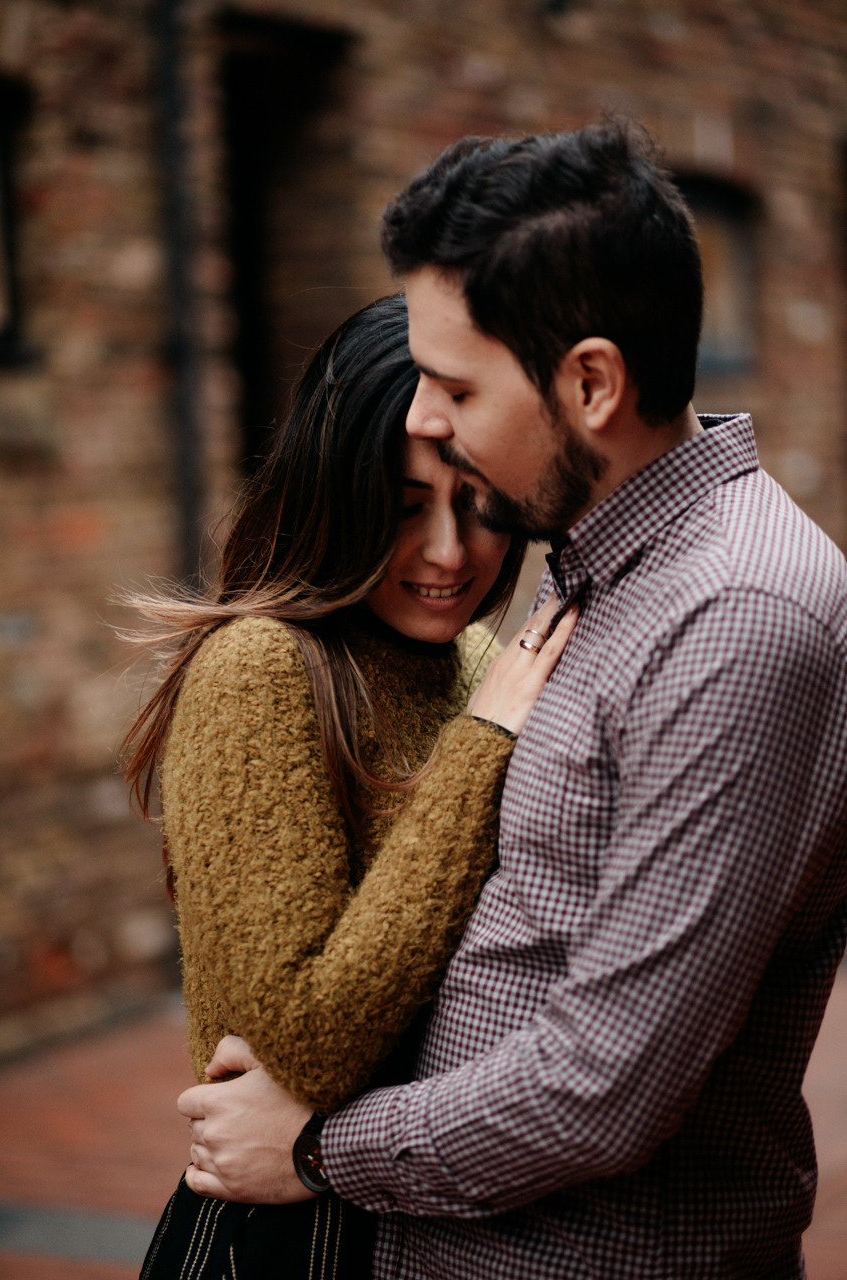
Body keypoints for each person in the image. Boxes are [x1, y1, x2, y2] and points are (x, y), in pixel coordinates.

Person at [175, 121, 847, 1279]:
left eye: (454, 382)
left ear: (589, 381)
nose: (425, 414)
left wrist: (325, 1149)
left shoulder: (735, 614)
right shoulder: (596, 573)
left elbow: (603, 1083)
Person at [122, 293, 575, 1279]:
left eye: (482, 504)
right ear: (336, 495)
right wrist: (486, 745)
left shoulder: (475, 655)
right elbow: (303, 1045)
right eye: (407, 508)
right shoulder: (261, 670)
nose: (450, 554)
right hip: (305, 1238)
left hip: (430, 1204)